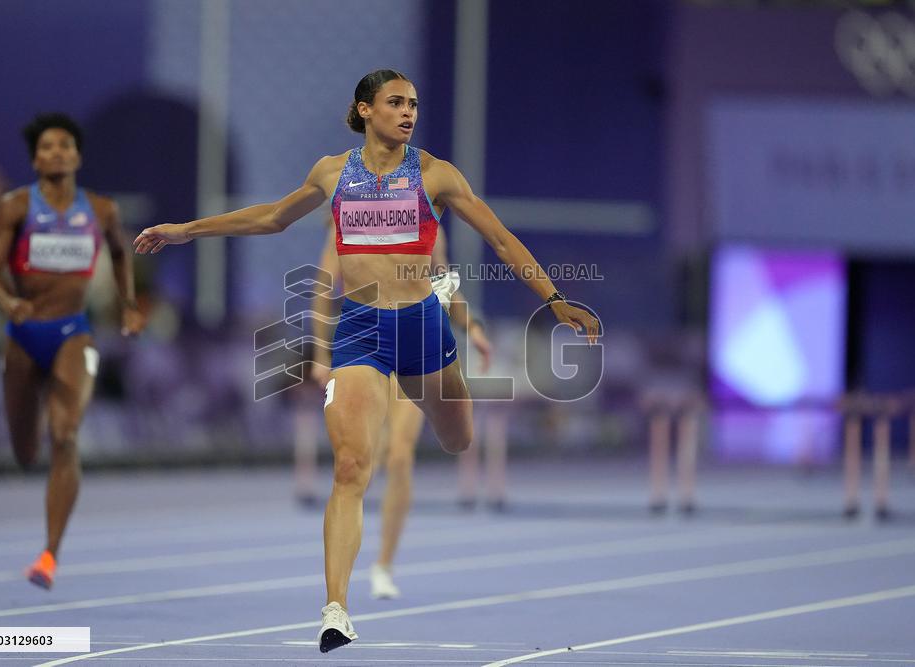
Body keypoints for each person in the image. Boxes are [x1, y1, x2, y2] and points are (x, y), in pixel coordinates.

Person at [135, 69, 599, 652]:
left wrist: (556, 301)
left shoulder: (436, 175)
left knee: (457, 439)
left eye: (413, 104)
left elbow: (502, 241)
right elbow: (271, 218)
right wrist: (186, 231)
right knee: (352, 469)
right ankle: (335, 609)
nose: (408, 113)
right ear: (365, 110)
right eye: (395, 103)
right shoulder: (333, 173)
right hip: (360, 332)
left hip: (423, 330)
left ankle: (437, 405)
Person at [0, 113, 145, 588]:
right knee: (25, 451)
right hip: (23, 334)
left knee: (66, 432)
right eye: (47, 147)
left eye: (65, 145)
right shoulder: (14, 208)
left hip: (75, 331)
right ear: (35, 158)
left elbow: (119, 252)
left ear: (77, 155)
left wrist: (128, 305)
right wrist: (6, 299)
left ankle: (49, 555)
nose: (56, 152)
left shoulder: (101, 209)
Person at [310, 222, 492, 600]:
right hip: (365, 346)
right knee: (361, 460)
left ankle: (384, 564)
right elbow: (324, 287)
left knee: (399, 453)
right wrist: (319, 354)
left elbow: (444, 284)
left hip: (413, 344)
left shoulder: (428, 224)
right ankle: (345, 566)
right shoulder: (346, 221)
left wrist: (470, 326)